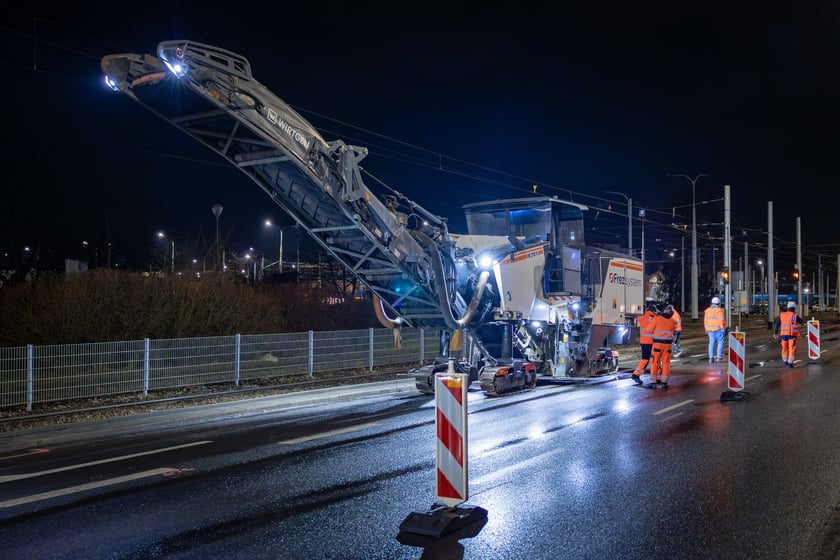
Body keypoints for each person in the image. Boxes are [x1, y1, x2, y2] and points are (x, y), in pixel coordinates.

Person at [649, 304, 678, 387]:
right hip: (668, 345)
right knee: (666, 363)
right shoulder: (673, 320)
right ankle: (664, 382)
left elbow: (649, 329)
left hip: (657, 345)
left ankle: (653, 382)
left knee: (655, 362)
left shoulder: (657, 319)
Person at [631, 300, 657, 385]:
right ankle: (656, 377)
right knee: (654, 360)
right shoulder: (653, 317)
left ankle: (636, 374)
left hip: (643, 341)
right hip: (651, 342)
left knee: (645, 359)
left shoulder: (642, 316)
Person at [773, 301, 804, 367]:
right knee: (791, 348)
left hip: (783, 335)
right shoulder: (794, 315)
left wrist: (775, 333)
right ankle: (790, 363)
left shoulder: (782, 315)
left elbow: (777, 324)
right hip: (792, 335)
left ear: (787, 308)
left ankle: (785, 361)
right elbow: (801, 321)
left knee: (784, 348)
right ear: (794, 308)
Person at [704, 296, 727, 362]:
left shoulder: (707, 310)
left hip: (709, 330)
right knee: (720, 343)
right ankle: (719, 357)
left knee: (711, 343)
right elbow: (721, 320)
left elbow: (705, 320)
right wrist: (723, 328)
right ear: (718, 303)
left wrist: (706, 329)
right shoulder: (719, 310)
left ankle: (711, 358)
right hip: (718, 329)